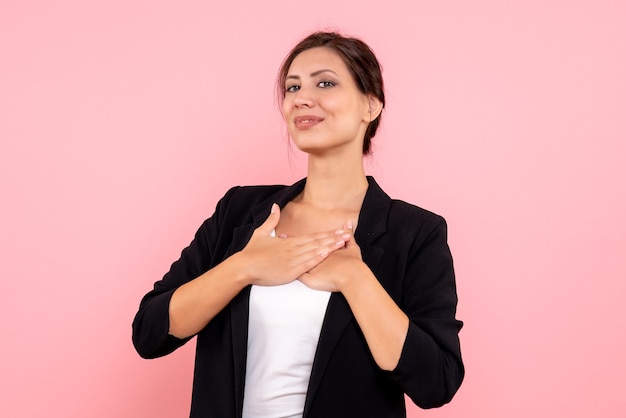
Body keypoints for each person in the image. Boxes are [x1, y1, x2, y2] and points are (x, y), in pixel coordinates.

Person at [132, 31, 464, 418]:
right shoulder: (239, 211)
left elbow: (436, 383)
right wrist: (244, 267)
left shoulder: (416, 232)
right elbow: (149, 332)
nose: (302, 98)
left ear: (370, 105)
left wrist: (355, 279)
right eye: (292, 87)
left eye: (325, 82)